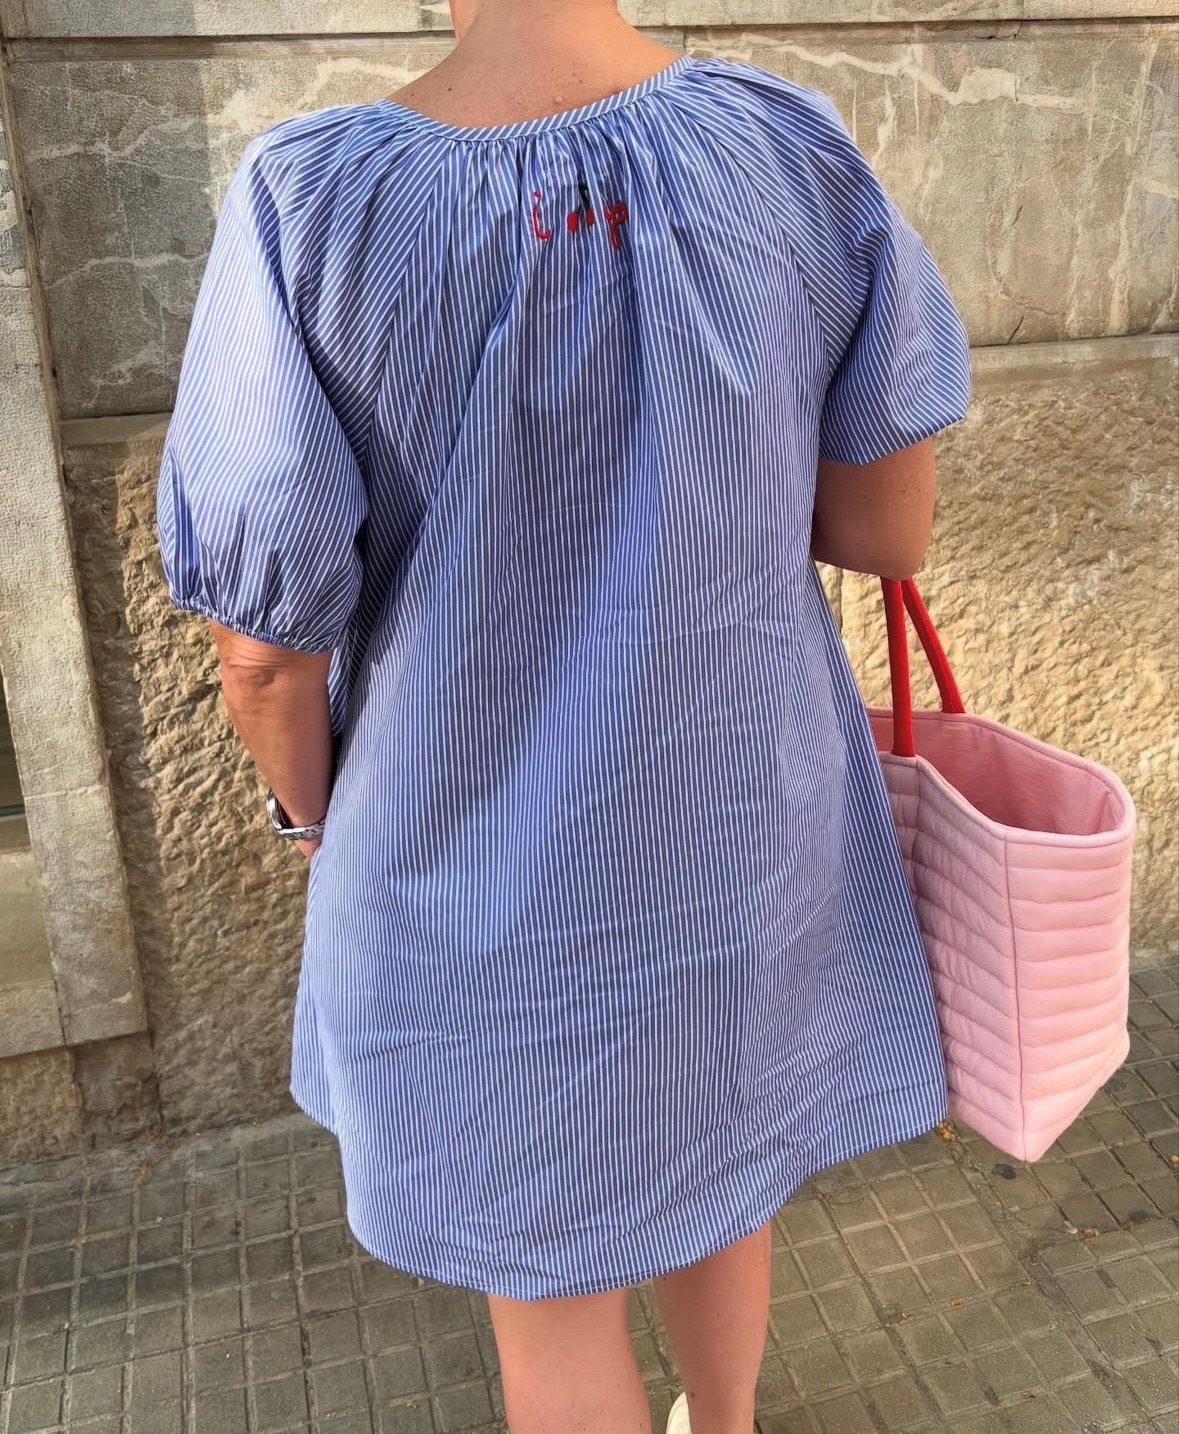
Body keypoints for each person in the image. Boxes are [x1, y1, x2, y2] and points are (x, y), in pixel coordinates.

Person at [155, 1, 972, 1429]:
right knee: (720, 1171)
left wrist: (310, 817)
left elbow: (264, 656)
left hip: (472, 883)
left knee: (549, 1292)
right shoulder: (785, 146)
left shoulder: (313, 198)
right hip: (738, 836)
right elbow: (882, 533)